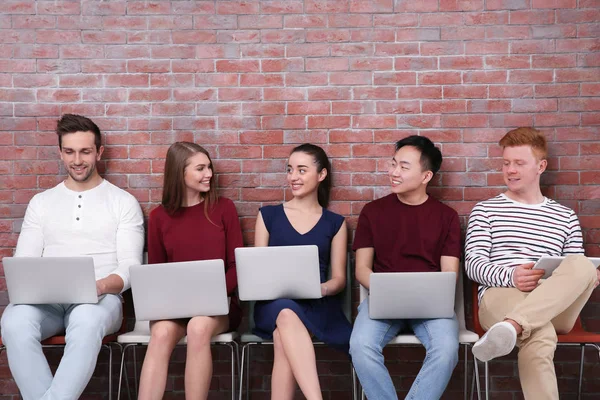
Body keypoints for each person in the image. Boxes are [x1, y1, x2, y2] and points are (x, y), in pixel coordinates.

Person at [0, 114, 144, 400]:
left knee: (87, 320)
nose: (77, 160)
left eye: (85, 151)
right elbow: (25, 261)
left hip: (100, 301)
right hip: (46, 304)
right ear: (61, 153)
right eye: (69, 152)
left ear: (99, 152)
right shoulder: (41, 202)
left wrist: (101, 285)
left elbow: (131, 266)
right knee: (13, 321)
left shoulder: (122, 202)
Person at [465, 127, 598, 399]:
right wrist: (510, 276)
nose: (510, 170)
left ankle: (513, 326)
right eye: (506, 163)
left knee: (584, 266)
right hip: (501, 296)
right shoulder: (486, 210)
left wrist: (588, 279)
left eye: (519, 163)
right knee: (540, 335)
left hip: (554, 305)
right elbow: (473, 265)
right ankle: (519, 323)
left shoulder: (565, 216)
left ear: (541, 166)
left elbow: (574, 268)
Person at [349, 135, 461, 400]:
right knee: (360, 345)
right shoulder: (372, 212)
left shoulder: (447, 217)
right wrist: (384, 288)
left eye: (403, 167)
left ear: (426, 176)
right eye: (393, 164)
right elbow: (362, 269)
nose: (394, 173)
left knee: (446, 348)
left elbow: (450, 274)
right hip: (383, 301)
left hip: (431, 306)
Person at [138, 142, 243, 400]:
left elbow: (237, 266)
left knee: (197, 327)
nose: (208, 173)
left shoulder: (224, 208)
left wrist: (213, 295)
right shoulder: (159, 217)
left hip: (216, 308)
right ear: (179, 173)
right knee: (160, 333)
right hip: (174, 309)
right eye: (200, 168)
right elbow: (157, 273)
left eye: (209, 167)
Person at [252, 143, 352, 400]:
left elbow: (339, 278)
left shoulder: (335, 223)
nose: (293, 177)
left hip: (316, 303)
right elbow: (257, 268)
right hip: (272, 303)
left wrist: (322, 288)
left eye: (302, 170)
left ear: (321, 175)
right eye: (290, 169)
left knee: (282, 335)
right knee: (285, 314)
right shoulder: (268, 216)